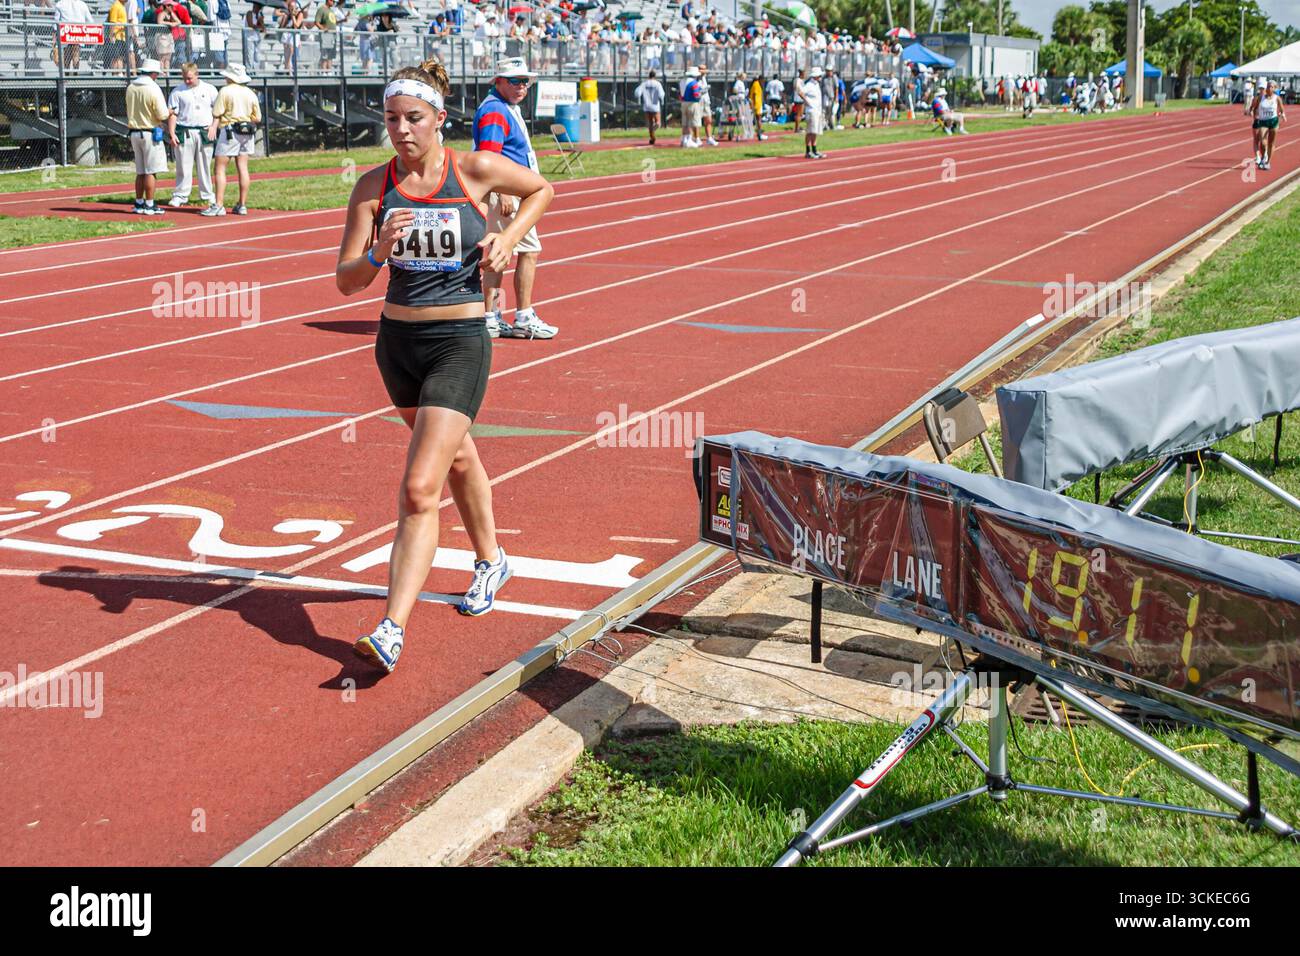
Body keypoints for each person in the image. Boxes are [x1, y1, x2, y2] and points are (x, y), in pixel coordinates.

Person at [335, 58, 553, 674]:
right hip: (396, 348)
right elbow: (346, 282)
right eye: (391, 120)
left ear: (439, 120)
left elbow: (542, 189)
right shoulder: (373, 188)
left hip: (459, 342)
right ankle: (492, 560)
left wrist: (506, 241)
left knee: (419, 486)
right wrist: (378, 249)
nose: (401, 131)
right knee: (457, 456)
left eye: (413, 119)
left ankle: (390, 628)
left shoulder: (475, 170)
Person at [474, 57, 557, 340]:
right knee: (524, 251)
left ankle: (494, 316)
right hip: (507, 193)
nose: (522, 86)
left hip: (514, 190)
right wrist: (503, 189)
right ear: (498, 81)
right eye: (515, 81)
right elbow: (488, 156)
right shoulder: (496, 110)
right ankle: (518, 315)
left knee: (507, 252)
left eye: (526, 81)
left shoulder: (504, 107)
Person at [205, 63, 260, 215]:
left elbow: (217, 112)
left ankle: (219, 204)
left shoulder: (226, 91)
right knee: (243, 168)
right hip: (247, 132)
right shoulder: (250, 93)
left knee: (220, 168)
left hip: (230, 130)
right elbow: (258, 117)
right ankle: (242, 204)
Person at [167, 62, 217, 207]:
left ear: (197, 74)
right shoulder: (177, 92)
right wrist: (172, 133)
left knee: (205, 165)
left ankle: (207, 194)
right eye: (185, 78)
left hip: (204, 131)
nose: (187, 81)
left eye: (190, 78)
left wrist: (214, 126)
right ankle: (181, 195)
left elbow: (218, 111)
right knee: (183, 165)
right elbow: (173, 114)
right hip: (185, 130)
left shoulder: (210, 89)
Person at [125, 57, 169, 215]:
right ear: (153, 73)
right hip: (150, 132)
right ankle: (150, 204)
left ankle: (139, 202)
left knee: (141, 171)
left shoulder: (131, 87)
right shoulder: (153, 88)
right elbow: (162, 114)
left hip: (134, 131)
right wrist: (171, 112)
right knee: (151, 170)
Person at [1248, 78, 1285, 170]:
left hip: (1273, 121)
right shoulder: (1261, 97)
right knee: (1263, 143)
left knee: (1271, 143)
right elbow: (1254, 105)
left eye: (1271, 87)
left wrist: (1282, 114)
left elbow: (1281, 109)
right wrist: (1252, 111)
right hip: (1263, 121)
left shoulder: (1277, 98)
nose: (1269, 88)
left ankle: (1268, 162)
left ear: (1275, 88)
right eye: (1268, 86)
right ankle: (1264, 155)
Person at [634, 68, 665, 145]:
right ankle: (653, 132)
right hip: (655, 104)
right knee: (658, 123)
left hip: (647, 104)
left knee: (650, 123)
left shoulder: (644, 83)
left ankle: (652, 137)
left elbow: (637, 93)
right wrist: (661, 99)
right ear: (655, 76)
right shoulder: (657, 84)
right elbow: (661, 94)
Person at [316, 0, 345, 72]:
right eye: (333, 1)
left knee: (331, 55)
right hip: (326, 35)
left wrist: (342, 20)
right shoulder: (321, 9)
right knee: (325, 55)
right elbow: (316, 22)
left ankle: (329, 72)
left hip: (333, 35)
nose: (334, 3)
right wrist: (323, 28)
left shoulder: (331, 10)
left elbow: (334, 22)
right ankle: (324, 72)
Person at [802, 66, 824, 158]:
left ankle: (814, 150)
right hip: (811, 111)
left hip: (817, 110)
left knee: (815, 131)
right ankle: (808, 151)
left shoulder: (816, 84)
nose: (820, 77)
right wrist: (808, 102)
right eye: (819, 76)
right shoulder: (809, 85)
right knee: (810, 131)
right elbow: (801, 92)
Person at [680, 65, 703, 148]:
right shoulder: (694, 83)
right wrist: (701, 94)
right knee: (693, 121)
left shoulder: (682, 81)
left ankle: (684, 139)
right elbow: (696, 95)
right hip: (693, 103)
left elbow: (680, 94)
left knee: (685, 121)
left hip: (684, 102)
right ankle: (690, 140)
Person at [697, 64, 719, 146]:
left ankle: (709, 138)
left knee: (708, 120)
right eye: (701, 69)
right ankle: (697, 138)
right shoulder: (696, 78)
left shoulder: (704, 78)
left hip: (706, 101)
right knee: (698, 121)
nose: (704, 71)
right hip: (699, 101)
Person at [749, 72, 766, 140]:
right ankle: (759, 133)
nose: (763, 82)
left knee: (758, 119)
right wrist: (755, 106)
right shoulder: (756, 84)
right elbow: (755, 95)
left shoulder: (757, 84)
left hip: (758, 104)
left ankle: (759, 132)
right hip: (757, 105)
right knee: (758, 119)